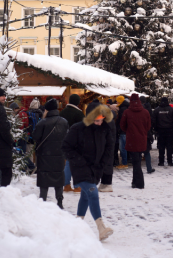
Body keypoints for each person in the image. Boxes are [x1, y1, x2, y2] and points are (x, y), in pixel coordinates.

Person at [62, 102, 116, 241]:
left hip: (96, 169)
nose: (99, 123)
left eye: (101, 120)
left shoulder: (105, 129)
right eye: (96, 120)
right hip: (80, 168)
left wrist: (102, 165)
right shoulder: (78, 128)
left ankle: (77, 224)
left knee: (85, 196)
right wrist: (79, 161)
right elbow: (66, 147)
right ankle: (101, 227)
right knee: (92, 192)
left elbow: (109, 148)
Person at [32, 99, 69, 208]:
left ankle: (42, 200)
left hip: (45, 155)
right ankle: (60, 201)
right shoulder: (64, 121)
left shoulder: (42, 122)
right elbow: (67, 137)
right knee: (58, 177)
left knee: (44, 177)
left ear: (46, 110)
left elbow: (35, 137)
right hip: (59, 155)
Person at [119, 94, 151, 189]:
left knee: (135, 161)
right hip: (142, 139)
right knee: (137, 161)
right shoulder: (145, 112)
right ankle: (135, 181)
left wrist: (129, 131)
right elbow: (148, 126)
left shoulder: (127, 112)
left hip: (131, 139)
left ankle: (139, 183)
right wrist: (142, 132)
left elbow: (122, 125)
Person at [60, 95, 84, 193]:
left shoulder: (62, 112)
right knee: (76, 164)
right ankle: (77, 186)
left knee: (67, 163)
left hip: (64, 140)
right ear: (77, 102)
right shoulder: (79, 114)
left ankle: (66, 185)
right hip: (76, 142)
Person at [0, 87, 15, 188]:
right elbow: (3, 128)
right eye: (2, 96)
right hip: (1, 147)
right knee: (5, 174)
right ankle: (2, 198)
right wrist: (10, 142)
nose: (4, 98)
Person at [153, 96, 173, 167]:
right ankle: (170, 161)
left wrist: (156, 129)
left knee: (161, 147)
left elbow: (154, 121)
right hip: (170, 130)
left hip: (160, 131)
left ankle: (161, 161)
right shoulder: (172, 110)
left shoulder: (156, 110)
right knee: (169, 146)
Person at [115, 98, 130, 169]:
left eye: (117, 101)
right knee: (125, 147)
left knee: (123, 147)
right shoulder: (125, 108)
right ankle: (126, 161)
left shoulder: (122, 109)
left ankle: (124, 163)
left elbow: (121, 121)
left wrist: (119, 129)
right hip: (125, 131)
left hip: (123, 131)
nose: (116, 102)